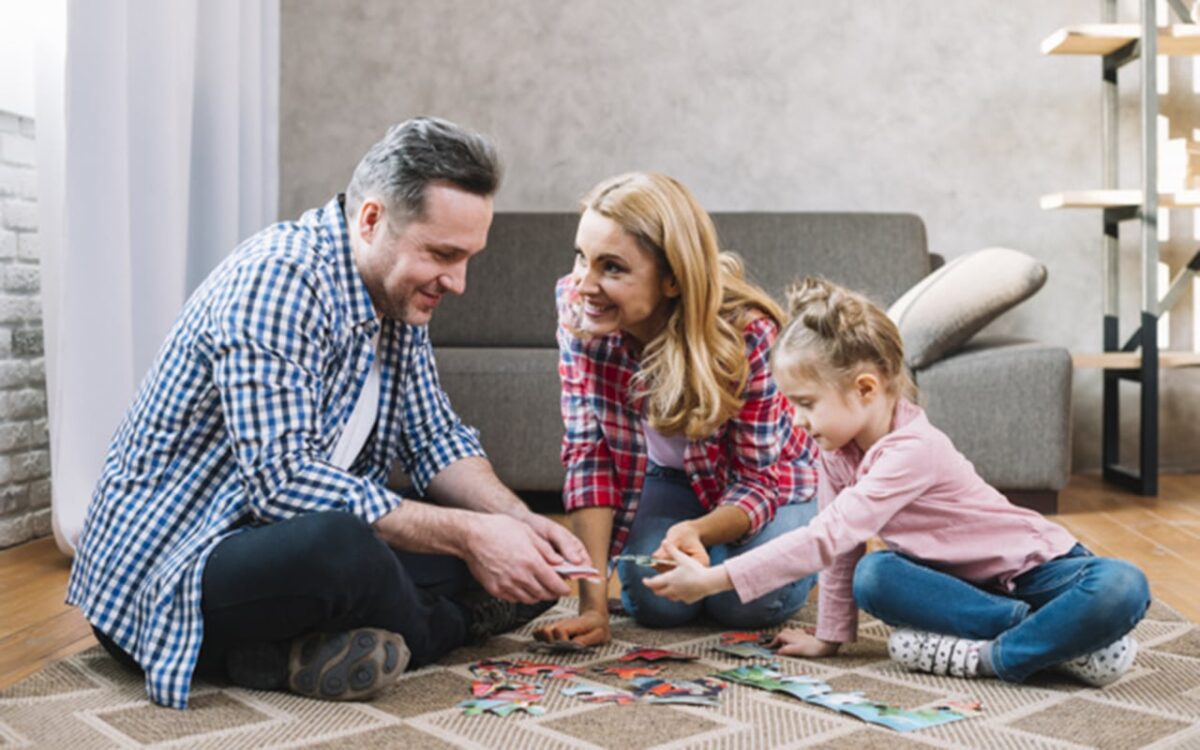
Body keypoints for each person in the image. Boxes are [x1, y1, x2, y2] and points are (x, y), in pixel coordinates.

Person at [67, 117, 588, 710]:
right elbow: (282, 484)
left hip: (273, 552)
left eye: (468, 258)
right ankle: (439, 628)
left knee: (527, 566)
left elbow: (434, 437)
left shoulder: (397, 296)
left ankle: (289, 655)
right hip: (175, 571)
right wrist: (472, 537)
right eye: (444, 254)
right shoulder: (280, 279)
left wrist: (514, 520)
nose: (460, 282)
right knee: (344, 546)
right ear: (371, 220)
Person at [646, 276, 1151, 687]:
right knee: (876, 575)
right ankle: (1058, 644)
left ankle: (993, 658)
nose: (796, 421)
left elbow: (821, 539)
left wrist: (713, 580)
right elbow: (842, 549)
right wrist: (830, 636)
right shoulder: (835, 451)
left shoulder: (912, 450)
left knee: (1124, 585)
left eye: (805, 403)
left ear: (865, 388)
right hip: (968, 590)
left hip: (1044, 571)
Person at [533, 172, 820, 647]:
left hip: (776, 484)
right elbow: (590, 458)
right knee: (657, 603)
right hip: (667, 480)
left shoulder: (748, 335)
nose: (584, 284)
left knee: (743, 604)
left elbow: (760, 480)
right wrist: (593, 608)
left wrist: (698, 532)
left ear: (671, 278)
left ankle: (814, 541)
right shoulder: (579, 312)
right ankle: (728, 555)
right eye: (582, 257)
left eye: (612, 268)